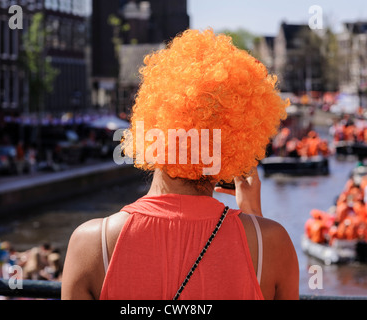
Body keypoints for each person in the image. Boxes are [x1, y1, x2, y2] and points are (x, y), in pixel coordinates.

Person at [62, 29, 299, 300]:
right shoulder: (272, 244)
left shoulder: (91, 243)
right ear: (238, 144)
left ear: (152, 125)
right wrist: (255, 220)